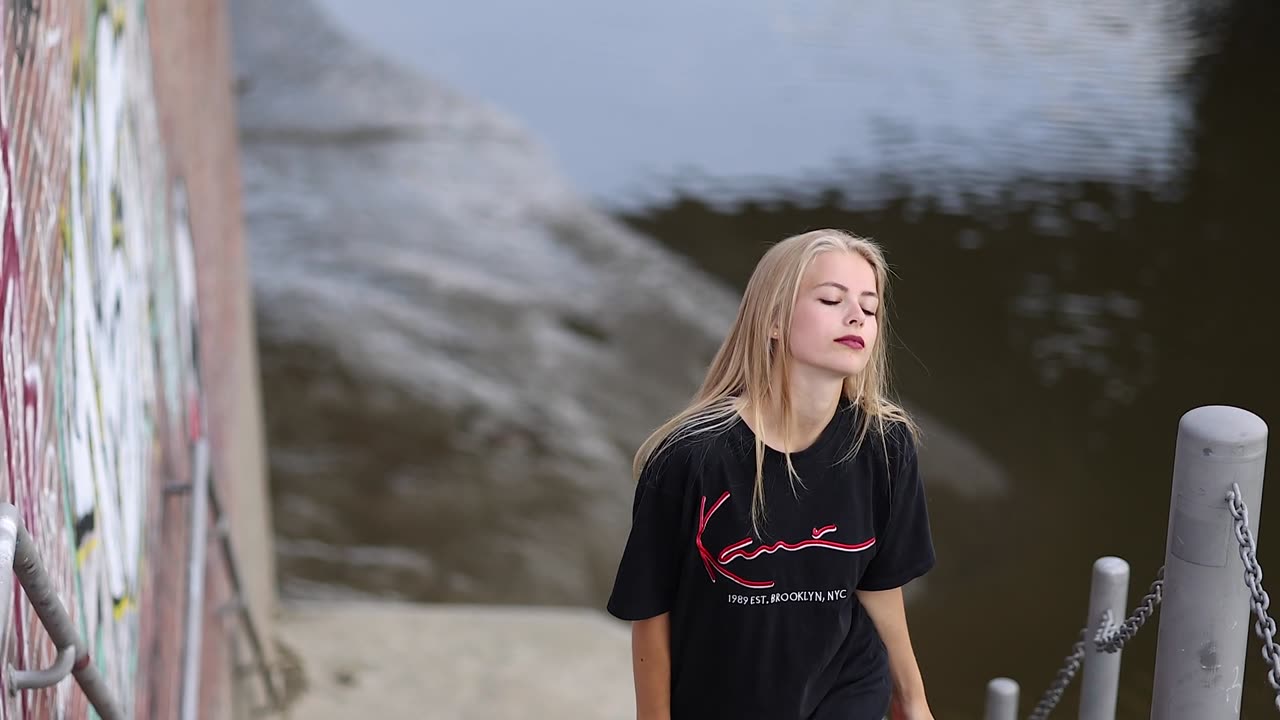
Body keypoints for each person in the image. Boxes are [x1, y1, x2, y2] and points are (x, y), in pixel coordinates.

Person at [606, 229, 936, 720]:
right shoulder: (692, 457)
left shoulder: (884, 446)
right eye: (832, 299)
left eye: (869, 308)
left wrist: (912, 702)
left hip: (846, 690)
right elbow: (652, 613)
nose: (856, 317)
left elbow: (879, 586)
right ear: (775, 320)